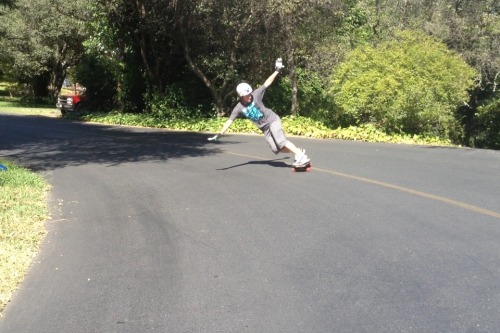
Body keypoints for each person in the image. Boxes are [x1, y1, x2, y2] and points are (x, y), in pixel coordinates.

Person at [208, 58, 310, 167]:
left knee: (281, 141)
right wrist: (220, 134)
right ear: (240, 96)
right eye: (246, 96)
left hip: (272, 120)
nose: (249, 97)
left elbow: (267, 83)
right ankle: (298, 151)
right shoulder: (239, 107)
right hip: (265, 128)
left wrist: (277, 70)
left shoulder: (256, 94)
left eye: (249, 94)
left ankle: (301, 156)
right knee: (276, 149)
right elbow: (229, 121)